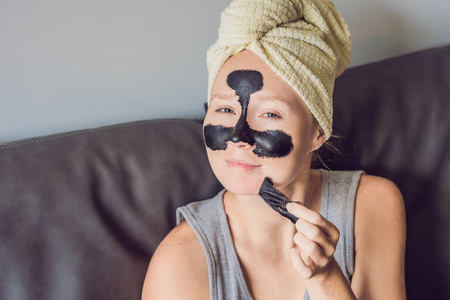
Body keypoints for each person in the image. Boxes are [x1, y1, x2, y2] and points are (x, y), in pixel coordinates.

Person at [142, 0, 406, 299]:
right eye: (225, 109)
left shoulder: (372, 204)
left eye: (270, 114)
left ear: (317, 132)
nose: (238, 137)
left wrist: (326, 279)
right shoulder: (179, 262)